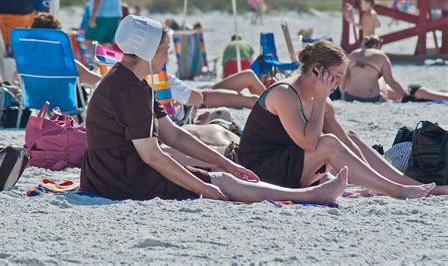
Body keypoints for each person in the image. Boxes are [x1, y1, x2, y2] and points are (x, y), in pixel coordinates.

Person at [80, 15, 349, 203]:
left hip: (111, 171)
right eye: (165, 49)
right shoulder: (129, 89)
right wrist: (202, 187)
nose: (168, 55)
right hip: (119, 177)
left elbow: (174, 134)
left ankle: (305, 194)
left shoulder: (132, 81)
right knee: (220, 183)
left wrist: (227, 163)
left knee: (222, 176)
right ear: (148, 50)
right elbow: (152, 156)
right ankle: (310, 196)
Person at [237, 40, 448, 199]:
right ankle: (396, 190)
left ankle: (403, 183)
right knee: (328, 143)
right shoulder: (285, 93)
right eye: (337, 76)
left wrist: (372, 177)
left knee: (351, 137)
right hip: (260, 171)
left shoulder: (319, 98)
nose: (338, 84)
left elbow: (346, 144)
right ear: (318, 70)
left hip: (289, 166)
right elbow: (309, 144)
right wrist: (320, 99)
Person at [341, 35, 448, 102]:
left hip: (349, 96)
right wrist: (406, 96)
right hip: (372, 97)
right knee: (385, 80)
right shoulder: (380, 56)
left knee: (380, 79)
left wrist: (343, 95)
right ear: (377, 46)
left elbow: (344, 78)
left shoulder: (353, 54)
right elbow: (391, 81)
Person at [30, 13, 102, 86]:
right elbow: (99, 82)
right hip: (59, 97)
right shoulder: (67, 63)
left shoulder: (25, 61)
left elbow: (17, 77)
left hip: (34, 97)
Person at [169, 70, 265, 110]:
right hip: (202, 101)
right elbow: (197, 99)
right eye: (166, 50)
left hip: (201, 93)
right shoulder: (159, 81)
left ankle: (275, 101)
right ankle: (276, 110)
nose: (168, 57)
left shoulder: (164, 77)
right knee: (253, 100)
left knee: (248, 75)